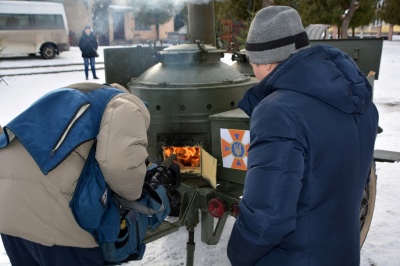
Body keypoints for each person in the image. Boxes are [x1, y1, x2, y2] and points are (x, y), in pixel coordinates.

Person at [227, 6, 379, 266]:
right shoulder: (361, 103)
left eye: (252, 62)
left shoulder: (278, 113)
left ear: (265, 60)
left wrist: (237, 254)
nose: (253, 71)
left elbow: (268, 217)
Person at [0, 82, 150, 265]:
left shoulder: (71, 93)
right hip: (56, 222)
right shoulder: (126, 104)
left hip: (8, 206)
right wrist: (136, 192)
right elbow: (122, 166)